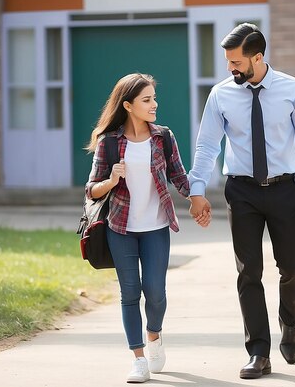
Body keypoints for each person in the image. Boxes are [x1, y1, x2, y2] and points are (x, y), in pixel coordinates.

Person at [188, 23, 295, 379]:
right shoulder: (221, 95)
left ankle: (289, 322)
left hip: (283, 189)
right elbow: (207, 145)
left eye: (236, 61)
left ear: (258, 57)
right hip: (242, 190)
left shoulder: (293, 90)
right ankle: (259, 352)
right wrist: (197, 189)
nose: (230, 68)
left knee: (292, 266)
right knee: (248, 272)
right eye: (228, 62)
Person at [85, 73, 209, 383]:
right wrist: (111, 181)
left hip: (155, 226)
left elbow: (179, 176)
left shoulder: (163, 137)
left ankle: (154, 335)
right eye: (147, 100)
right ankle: (138, 358)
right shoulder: (109, 142)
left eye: (154, 98)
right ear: (128, 105)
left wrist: (197, 200)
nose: (154, 104)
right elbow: (91, 190)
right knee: (130, 292)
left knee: (154, 291)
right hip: (120, 227)